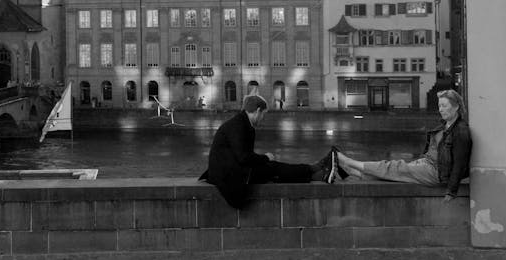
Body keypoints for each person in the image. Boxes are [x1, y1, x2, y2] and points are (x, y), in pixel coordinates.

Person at [199, 94, 338, 209]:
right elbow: (243, 157)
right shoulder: (238, 126)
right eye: (263, 114)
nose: (263, 119)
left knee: (273, 169)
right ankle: (314, 169)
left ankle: (316, 174)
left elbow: (244, 158)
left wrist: (263, 160)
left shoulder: (242, 124)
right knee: (273, 168)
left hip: (231, 171)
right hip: (227, 176)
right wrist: (265, 158)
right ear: (258, 111)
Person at [335, 89, 472, 201]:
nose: (440, 109)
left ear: (456, 107)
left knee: (396, 167)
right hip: (428, 163)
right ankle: (358, 174)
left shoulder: (461, 131)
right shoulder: (445, 125)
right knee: (396, 174)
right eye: (439, 106)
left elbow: (460, 163)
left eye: (444, 106)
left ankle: (351, 163)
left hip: (437, 172)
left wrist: (451, 191)